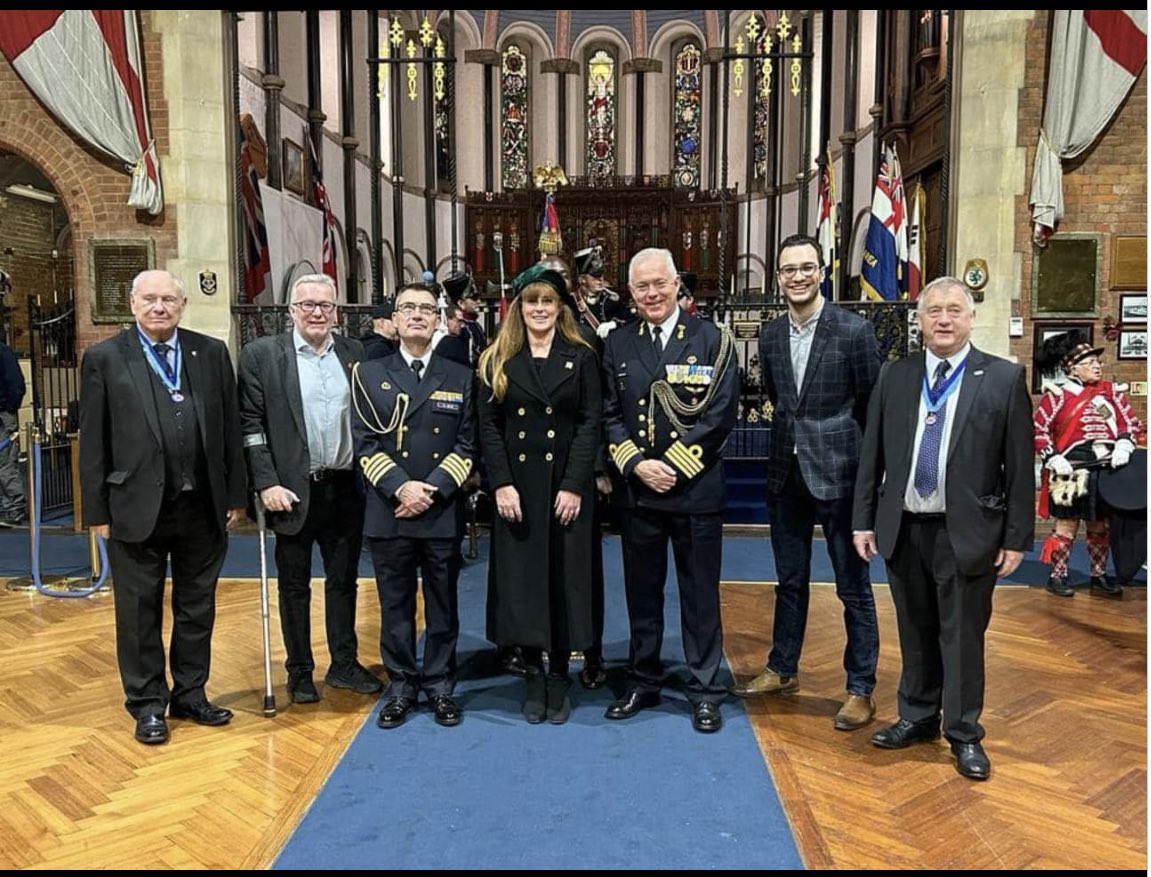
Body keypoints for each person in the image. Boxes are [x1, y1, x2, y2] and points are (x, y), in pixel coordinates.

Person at [852, 277, 1034, 781]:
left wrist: (1018, 536)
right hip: (904, 528)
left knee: (962, 638)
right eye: (934, 311)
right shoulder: (896, 376)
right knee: (914, 630)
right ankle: (916, 715)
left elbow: (1020, 465)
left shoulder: (1000, 378)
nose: (944, 320)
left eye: (954, 310)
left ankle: (964, 732)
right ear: (920, 319)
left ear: (971, 318)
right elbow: (873, 457)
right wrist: (862, 521)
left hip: (967, 533)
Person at [79, 269, 246, 745]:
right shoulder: (105, 359)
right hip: (134, 505)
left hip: (202, 506)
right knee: (138, 611)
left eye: (168, 299)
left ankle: (191, 692)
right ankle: (148, 703)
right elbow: (93, 443)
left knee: (197, 607)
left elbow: (230, 432)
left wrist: (235, 495)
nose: (159, 307)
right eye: (149, 299)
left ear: (183, 304)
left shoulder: (210, 354)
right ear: (132, 304)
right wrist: (97, 512)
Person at [735, 234, 881, 733]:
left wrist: (866, 479)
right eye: (787, 269)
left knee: (853, 588)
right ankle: (783, 668)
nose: (797, 276)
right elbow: (781, 399)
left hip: (839, 475)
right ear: (777, 277)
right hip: (785, 473)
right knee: (789, 581)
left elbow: (871, 406)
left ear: (822, 272)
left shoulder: (853, 330)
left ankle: (860, 688)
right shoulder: (771, 335)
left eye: (806, 267)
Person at [601, 247, 740, 733]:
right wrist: (637, 464)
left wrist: (673, 467)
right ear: (631, 293)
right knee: (642, 592)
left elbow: (720, 414)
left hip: (695, 490)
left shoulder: (712, 339)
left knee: (699, 594)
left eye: (659, 283)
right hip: (638, 493)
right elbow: (609, 413)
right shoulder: (617, 343)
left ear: (678, 284)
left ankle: (704, 687)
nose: (652, 294)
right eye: (642, 287)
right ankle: (643, 678)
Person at [237, 273, 382, 705]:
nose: (317, 313)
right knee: (294, 586)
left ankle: (344, 664)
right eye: (307, 305)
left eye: (325, 305)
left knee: (344, 582)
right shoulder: (261, 355)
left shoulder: (355, 353)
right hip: (291, 491)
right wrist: (266, 482)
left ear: (337, 312)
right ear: (291, 311)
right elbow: (250, 425)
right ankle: (299, 671)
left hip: (344, 488)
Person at [477, 264, 602, 724]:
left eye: (548, 301)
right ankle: (532, 673)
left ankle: (558, 675)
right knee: (524, 580)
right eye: (532, 301)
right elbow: (488, 426)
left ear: (560, 306)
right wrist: (502, 483)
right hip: (519, 489)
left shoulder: (582, 356)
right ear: (518, 308)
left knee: (566, 579)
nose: (540, 309)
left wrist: (574, 484)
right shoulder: (497, 358)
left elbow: (590, 423)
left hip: (566, 488)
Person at [351, 282, 476, 729]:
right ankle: (402, 685)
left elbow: (467, 444)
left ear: (438, 318)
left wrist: (433, 490)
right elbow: (364, 443)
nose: (418, 315)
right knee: (396, 605)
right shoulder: (367, 373)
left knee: (444, 605)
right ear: (395, 319)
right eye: (409, 308)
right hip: (391, 510)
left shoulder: (459, 375)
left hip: (440, 510)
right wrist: (402, 488)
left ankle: (441, 685)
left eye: (427, 308)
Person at [1032, 331, 1141, 598]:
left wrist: (1125, 444)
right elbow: (1038, 430)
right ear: (1072, 367)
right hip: (1069, 469)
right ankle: (1057, 576)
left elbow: (1129, 424)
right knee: (1066, 527)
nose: (1097, 366)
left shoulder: (1112, 394)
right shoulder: (1057, 395)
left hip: (1105, 470)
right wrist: (1052, 457)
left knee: (1099, 527)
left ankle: (1098, 575)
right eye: (1090, 362)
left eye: (1097, 362)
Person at [572, 245, 629, 338]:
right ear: (582, 279)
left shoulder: (611, 299)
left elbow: (629, 319)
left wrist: (614, 323)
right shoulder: (572, 301)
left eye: (601, 275)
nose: (600, 279)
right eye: (595, 276)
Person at [0, 338, 26, 526]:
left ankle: (14, 508)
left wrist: (9, 408)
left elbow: (17, 385)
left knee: (5, 462)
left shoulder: (3, 353)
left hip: (3, 414)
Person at [443, 272, 487, 367]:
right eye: (474, 298)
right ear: (461, 303)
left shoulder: (474, 325)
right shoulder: (461, 330)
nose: (479, 302)